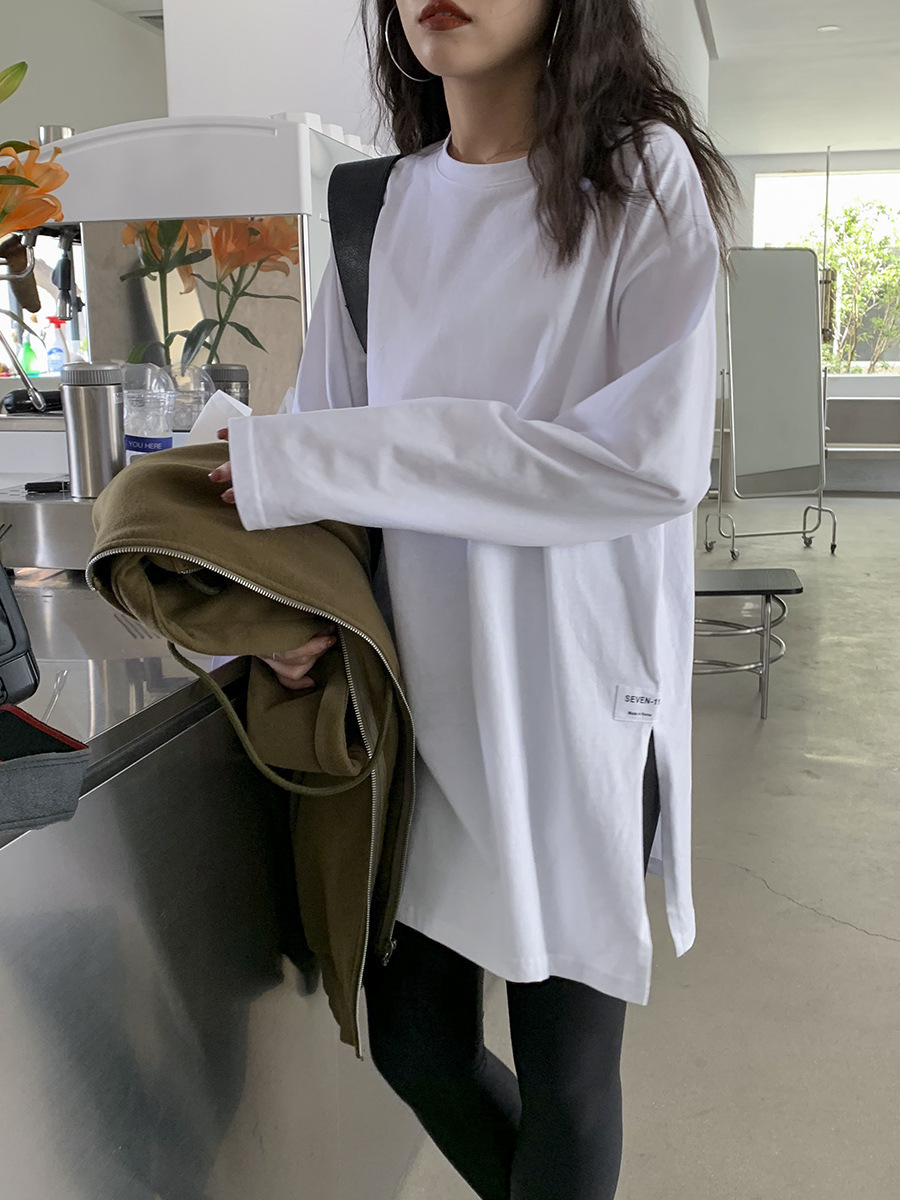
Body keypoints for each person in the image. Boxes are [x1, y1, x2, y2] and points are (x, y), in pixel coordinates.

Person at [210, 1, 739, 1195]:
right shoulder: (374, 208)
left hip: (574, 704)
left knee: (566, 1079)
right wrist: (291, 608)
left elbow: (648, 465)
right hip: (414, 711)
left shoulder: (642, 177)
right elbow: (322, 449)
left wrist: (330, 460)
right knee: (416, 1044)